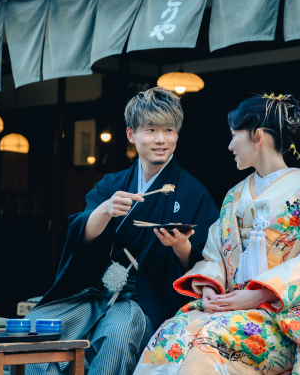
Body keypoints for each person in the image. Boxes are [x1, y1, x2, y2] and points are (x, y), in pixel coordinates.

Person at [134, 94, 300, 375]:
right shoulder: (235, 196)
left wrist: (258, 296)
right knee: (169, 333)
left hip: (278, 318)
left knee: (204, 344)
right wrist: (210, 289)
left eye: (235, 135)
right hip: (231, 310)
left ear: (257, 135)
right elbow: (215, 254)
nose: (230, 145)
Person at [27, 87, 219, 375]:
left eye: (168, 130)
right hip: (96, 291)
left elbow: (209, 260)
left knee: (118, 331)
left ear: (177, 135)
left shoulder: (193, 192)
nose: (160, 139)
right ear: (131, 134)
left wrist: (182, 247)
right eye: (150, 130)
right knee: (36, 327)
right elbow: (81, 237)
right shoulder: (112, 185)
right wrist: (105, 210)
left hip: (146, 298)